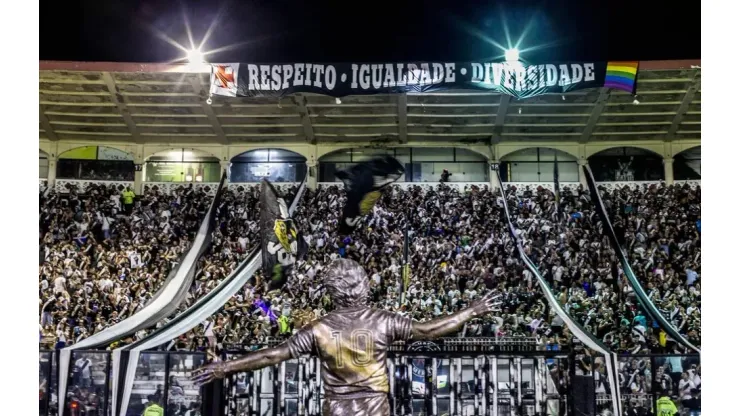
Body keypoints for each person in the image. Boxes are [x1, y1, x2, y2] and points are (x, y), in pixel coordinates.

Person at [191, 258, 500, 416]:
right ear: (364, 286)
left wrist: (224, 368)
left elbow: (273, 354)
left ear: (332, 293)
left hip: (336, 407)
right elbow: (429, 330)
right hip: (375, 405)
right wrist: (471, 311)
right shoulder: (382, 321)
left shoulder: (319, 328)